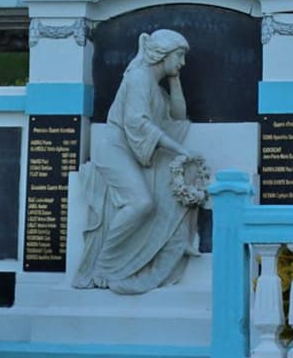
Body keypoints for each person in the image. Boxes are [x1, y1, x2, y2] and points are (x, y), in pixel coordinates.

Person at [73, 29, 200, 294]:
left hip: (133, 151)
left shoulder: (152, 84)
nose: (183, 62)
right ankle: (103, 266)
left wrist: (175, 79)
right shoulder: (139, 78)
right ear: (163, 53)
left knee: (167, 195)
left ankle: (150, 254)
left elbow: (178, 115)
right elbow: (137, 123)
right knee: (141, 202)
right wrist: (179, 150)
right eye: (179, 56)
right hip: (115, 150)